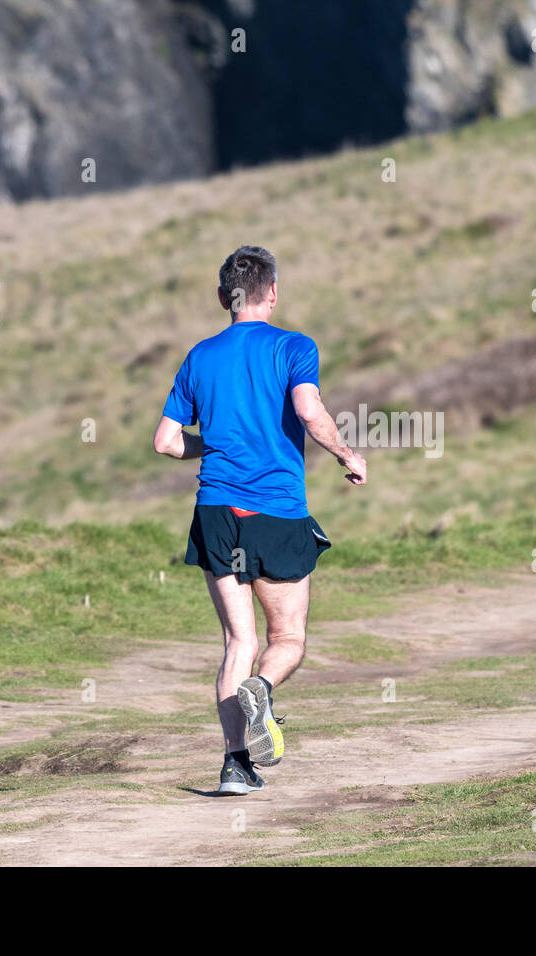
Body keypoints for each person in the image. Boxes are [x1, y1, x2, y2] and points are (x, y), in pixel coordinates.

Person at [152, 246, 368, 794]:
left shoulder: (200, 356)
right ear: (272, 293)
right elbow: (308, 410)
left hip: (216, 512)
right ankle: (264, 690)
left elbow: (165, 442)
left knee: (236, 642)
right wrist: (347, 454)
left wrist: (215, 446)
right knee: (288, 637)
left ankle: (234, 766)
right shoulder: (294, 346)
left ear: (224, 297)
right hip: (275, 510)